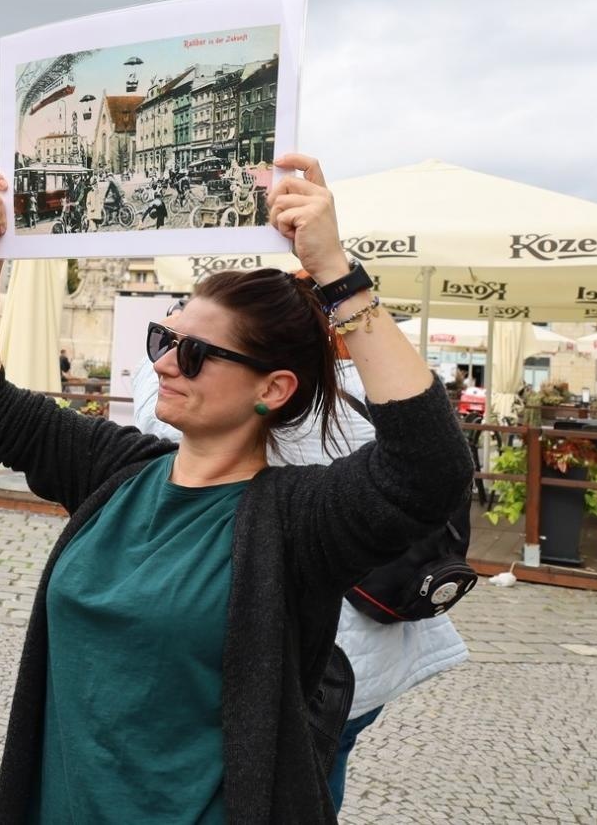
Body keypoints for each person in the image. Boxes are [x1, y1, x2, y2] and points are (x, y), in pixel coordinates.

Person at [0, 154, 472, 824]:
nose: (163, 361)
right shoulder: (118, 471)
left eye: (193, 352)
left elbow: (429, 467)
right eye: (164, 337)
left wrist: (337, 270)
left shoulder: (296, 519)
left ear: (271, 388)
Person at [131, 305, 468, 814]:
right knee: (319, 777)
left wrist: (174, 331)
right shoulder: (375, 387)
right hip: (370, 650)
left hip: (314, 664)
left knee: (290, 792)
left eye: (193, 350)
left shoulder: (284, 405)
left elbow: (159, 418)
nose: (171, 359)